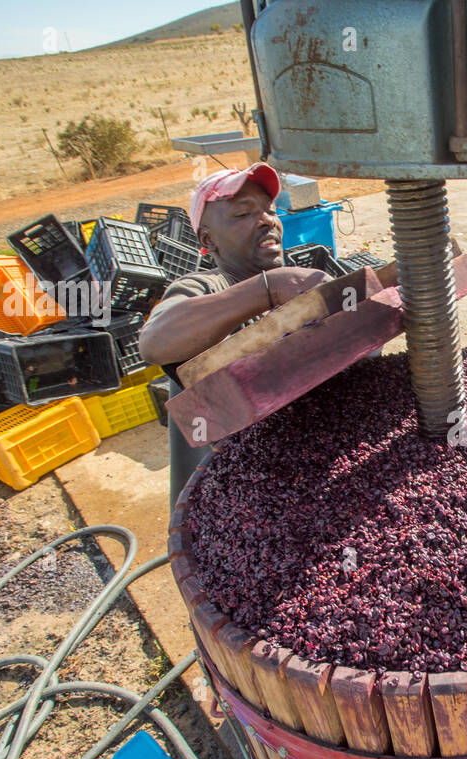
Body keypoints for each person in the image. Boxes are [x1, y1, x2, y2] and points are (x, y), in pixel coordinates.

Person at [137, 163, 330, 509]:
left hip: (301, 482)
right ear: (208, 240)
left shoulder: (299, 282)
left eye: (271, 210)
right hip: (233, 501)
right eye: (243, 214)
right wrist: (269, 287)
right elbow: (153, 342)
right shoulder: (204, 288)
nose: (268, 220)